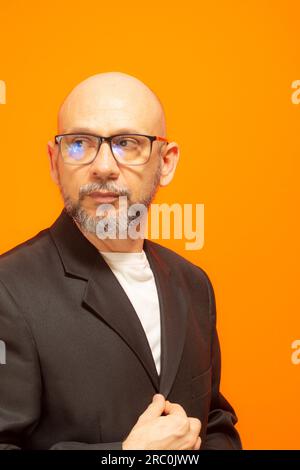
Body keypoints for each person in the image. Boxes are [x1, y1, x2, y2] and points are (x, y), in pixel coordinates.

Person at [0, 72, 242, 450]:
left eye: (127, 143)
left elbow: (215, 423)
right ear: (53, 160)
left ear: (167, 162)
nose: (103, 166)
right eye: (79, 143)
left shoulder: (194, 284)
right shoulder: (8, 288)